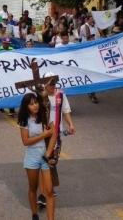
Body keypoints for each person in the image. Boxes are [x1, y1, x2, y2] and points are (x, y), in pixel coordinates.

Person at [36, 73, 76, 214]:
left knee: (52, 162)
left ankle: (48, 188)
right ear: (45, 84)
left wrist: (70, 124)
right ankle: (43, 194)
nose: (53, 86)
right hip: (42, 135)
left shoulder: (60, 95)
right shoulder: (39, 96)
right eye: (50, 84)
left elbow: (66, 111)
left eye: (54, 83)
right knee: (43, 163)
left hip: (56, 135)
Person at [17, 92, 52, 220]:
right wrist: (44, 135)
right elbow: (25, 141)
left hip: (46, 156)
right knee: (33, 187)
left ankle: (50, 216)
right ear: (26, 107)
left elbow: (48, 102)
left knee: (49, 190)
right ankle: (34, 214)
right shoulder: (24, 121)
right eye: (31, 104)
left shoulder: (44, 116)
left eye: (36, 102)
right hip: (32, 156)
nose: (35, 106)